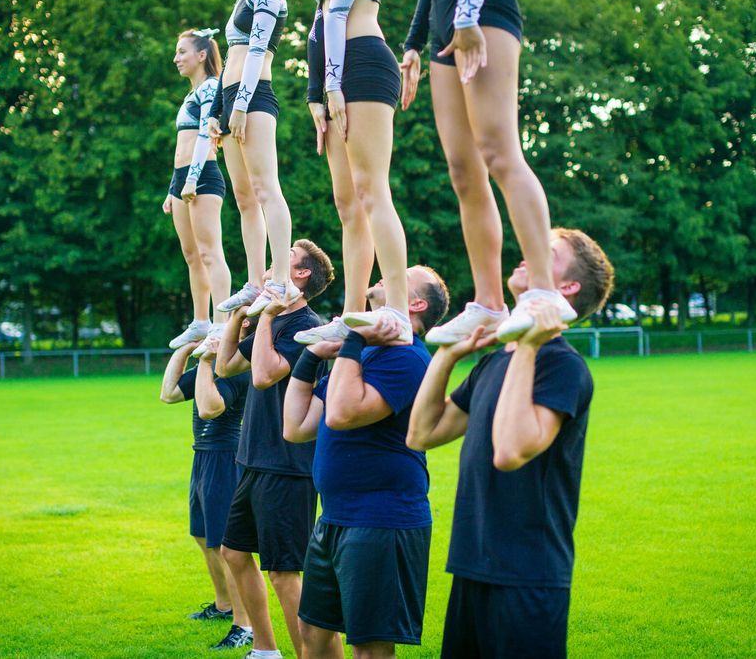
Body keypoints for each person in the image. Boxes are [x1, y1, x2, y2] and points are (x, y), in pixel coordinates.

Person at [407, 229, 614, 657]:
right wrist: (448, 355)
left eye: (547, 253)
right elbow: (421, 433)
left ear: (567, 288)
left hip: (528, 575)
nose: (527, 254)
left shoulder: (562, 367)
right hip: (471, 566)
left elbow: (509, 451)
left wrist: (527, 347)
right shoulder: (494, 361)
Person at [283, 266, 449, 659]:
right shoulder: (365, 353)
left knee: (370, 646)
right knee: (313, 630)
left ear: (415, 304)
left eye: (398, 276)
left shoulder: (406, 358)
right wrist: (312, 356)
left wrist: (354, 338)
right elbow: (297, 426)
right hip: (336, 517)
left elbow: (341, 414)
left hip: (383, 519)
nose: (382, 276)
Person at [400, 0, 578, 346]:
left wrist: (466, 17)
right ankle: (489, 304)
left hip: (482, 12)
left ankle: (544, 289)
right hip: (444, 26)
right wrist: (413, 43)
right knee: (463, 173)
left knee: (499, 153)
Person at [215, 240, 335, 659]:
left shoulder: (305, 326)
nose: (267, 270)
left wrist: (265, 315)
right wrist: (239, 314)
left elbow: (264, 376)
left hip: (287, 466)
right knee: (233, 551)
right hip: (254, 461)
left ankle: (310, 655)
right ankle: (266, 651)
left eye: (278, 264)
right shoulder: (274, 321)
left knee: (285, 572)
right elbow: (226, 366)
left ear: (299, 275)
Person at [294, 0, 414, 346]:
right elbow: (321, 21)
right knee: (348, 205)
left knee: (371, 190)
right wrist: (315, 94)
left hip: (363, 62)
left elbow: (340, 14)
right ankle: (351, 313)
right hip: (336, 74)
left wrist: (330, 86)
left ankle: (398, 309)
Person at [205, 0, 299, 320]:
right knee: (245, 200)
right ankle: (255, 282)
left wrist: (242, 105)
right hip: (232, 99)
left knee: (265, 189)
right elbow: (232, 59)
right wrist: (217, 112)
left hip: (254, 96)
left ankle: (282, 280)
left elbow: (256, 52)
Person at [158, 338, 253, 650]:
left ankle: (244, 625)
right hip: (203, 455)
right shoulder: (210, 367)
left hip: (225, 458)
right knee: (202, 535)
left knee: (226, 545)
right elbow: (169, 394)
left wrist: (207, 361)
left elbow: (211, 409)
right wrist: (187, 349)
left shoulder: (235, 371)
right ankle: (223, 604)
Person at [165, 29, 232, 350]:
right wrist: (172, 188)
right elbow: (182, 144)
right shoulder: (190, 94)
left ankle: (222, 323)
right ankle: (200, 322)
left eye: (182, 52)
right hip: (182, 181)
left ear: (201, 55)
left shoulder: (209, 87)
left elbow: (205, 136)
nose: (176, 58)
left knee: (209, 252)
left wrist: (191, 179)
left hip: (202, 176)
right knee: (192, 255)